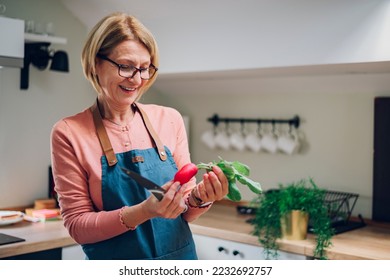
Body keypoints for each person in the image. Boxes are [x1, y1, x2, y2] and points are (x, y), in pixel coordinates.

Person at [50, 12, 228, 260]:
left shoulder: (170, 119)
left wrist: (199, 198)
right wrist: (144, 211)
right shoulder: (69, 132)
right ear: (95, 64)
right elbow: (78, 226)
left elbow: (184, 210)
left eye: (145, 68)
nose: (137, 79)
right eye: (125, 66)